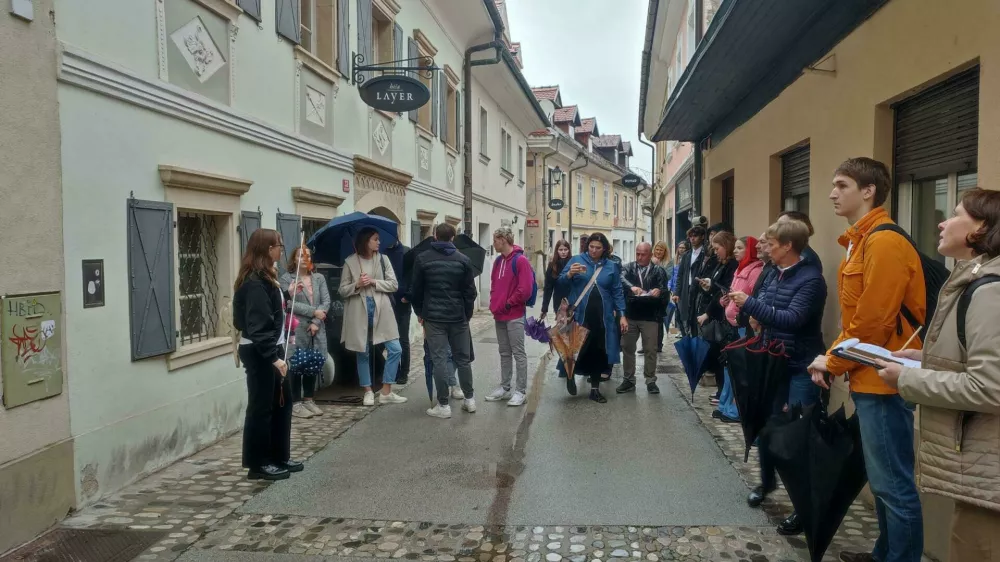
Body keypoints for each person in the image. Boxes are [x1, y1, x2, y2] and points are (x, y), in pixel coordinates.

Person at [807, 157, 925, 562]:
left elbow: (872, 323)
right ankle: (884, 554)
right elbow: (859, 319)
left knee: (893, 485)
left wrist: (832, 361)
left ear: (869, 190)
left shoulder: (884, 242)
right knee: (883, 482)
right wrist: (833, 359)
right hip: (871, 376)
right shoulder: (862, 239)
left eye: (842, 185)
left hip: (885, 381)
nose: (832, 193)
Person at [875, 188, 1000, 562]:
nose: (943, 221)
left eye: (956, 213)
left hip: (988, 471)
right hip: (982, 470)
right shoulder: (971, 278)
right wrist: (925, 359)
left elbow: (990, 387)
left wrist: (908, 380)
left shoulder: (990, 290)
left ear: (980, 227)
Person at [731, 219, 827, 536]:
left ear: (788, 246)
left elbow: (793, 319)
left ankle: (803, 508)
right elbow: (767, 310)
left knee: (799, 438)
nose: (765, 249)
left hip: (800, 365)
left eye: (770, 244)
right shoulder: (774, 273)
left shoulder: (811, 279)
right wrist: (752, 313)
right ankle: (767, 482)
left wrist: (752, 304)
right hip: (772, 362)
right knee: (769, 428)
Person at [232, 229, 299, 481]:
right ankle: (258, 463)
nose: (281, 249)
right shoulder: (254, 283)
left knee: (282, 403)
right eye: (278, 245)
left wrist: (288, 293)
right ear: (267, 249)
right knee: (261, 408)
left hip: (273, 349)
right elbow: (258, 325)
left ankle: (279, 455)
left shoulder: (268, 279)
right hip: (262, 353)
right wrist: (274, 357)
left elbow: (273, 311)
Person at [410, 223, 478, 419]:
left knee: (439, 359)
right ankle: (470, 399)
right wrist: (466, 314)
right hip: (458, 317)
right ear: (453, 237)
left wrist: (420, 313)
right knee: (463, 359)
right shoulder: (464, 260)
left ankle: (443, 405)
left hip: (434, 318)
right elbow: (470, 293)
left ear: (434, 236)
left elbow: (416, 291)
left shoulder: (422, 259)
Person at [338, 227, 406, 407]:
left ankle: (386, 390)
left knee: (396, 348)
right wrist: (357, 284)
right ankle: (367, 391)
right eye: (375, 239)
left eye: (378, 239)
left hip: (381, 309)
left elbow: (394, 285)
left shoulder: (383, 259)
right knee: (363, 351)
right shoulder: (350, 262)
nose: (379, 242)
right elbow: (342, 290)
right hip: (358, 310)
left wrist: (374, 281)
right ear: (366, 241)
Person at [558, 233, 627, 403]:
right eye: (591, 247)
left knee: (598, 352)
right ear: (587, 246)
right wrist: (568, 275)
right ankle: (570, 375)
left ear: (604, 249)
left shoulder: (611, 266)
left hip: (602, 319)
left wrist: (623, 315)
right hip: (579, 315)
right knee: (576, 349)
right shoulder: (576, 260)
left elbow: (617, 291)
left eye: (598, 248)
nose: (594, 250)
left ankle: (595, 390)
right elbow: (559, 284)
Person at [713, 236, 763, 423]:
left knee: (739, 369)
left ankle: (734, 409)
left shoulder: (755, 270)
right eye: (735, 248)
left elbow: (752, 298)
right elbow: (732, 293)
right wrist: (723, 300)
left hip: (743, 326)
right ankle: (725, 405)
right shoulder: (739, 269)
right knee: (730, 367)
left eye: (740, 248)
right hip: (731, 324)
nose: (735, 251)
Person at [280, 246, 331, 419]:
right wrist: (313, 312)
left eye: (307, 256)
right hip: (297, 327)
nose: (304, 258)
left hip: (316, 328)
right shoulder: (287, 279)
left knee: (312, 362)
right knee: (296, 364)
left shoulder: (319, 278)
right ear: (294, 259)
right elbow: (288, 303)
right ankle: (296, 403)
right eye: (301, 255)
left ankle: (309, 399)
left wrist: (317, 321)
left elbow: (326, 301)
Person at [485, 227, 534, 407]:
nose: (494, 243)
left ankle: (520, 391)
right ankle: (505, 388)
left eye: (496, 240)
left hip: (514, 314)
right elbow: (494, 285)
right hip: (499, 314)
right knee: (504, 352)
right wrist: (494, 303)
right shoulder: (498, 261)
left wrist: (508, 303)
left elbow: (525, 289)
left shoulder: (520, 261)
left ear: (504, 240)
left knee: (518, 353)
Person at [618, 242, 669, 394]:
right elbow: (620, 279)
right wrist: (631, 287)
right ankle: (628, 379)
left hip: (650, 316)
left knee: (650, 349)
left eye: (643, 254)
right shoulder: (628, 268)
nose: (640, 257)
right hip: (631, 314)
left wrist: (659, 291)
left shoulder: (658, 270)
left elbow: (665, 290)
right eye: (638, 253)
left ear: (650, 254)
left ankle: (651, 380)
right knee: (627, 347)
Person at [696, 231, 738, 403]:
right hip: (718, 312)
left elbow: (726, 290)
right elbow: (718, 288)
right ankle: (721, 390)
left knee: (722, 355)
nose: (715, 251)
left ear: (726, 245)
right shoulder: (721, 263)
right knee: (718, 354)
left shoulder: (732, 265)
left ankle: (723, 393)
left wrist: (708, 312)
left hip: (723, 315)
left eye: (717, 247)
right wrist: (709, 284)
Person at [672, 226, 708, 337]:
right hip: (686, 290)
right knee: (684, 318)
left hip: (699, 290)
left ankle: (697, 343)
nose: (692, 239)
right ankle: (688, 340)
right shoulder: (686, 255)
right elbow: (680, 275)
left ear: (702, 237)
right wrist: (676, 293)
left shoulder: (706, 254)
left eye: (695, 236)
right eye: (690, 236)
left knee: (696, 318)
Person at [540, 240, 572, 357]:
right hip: (559, 303)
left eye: (565, 249)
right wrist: (544, 309)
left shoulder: (573, 263)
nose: (563, 252)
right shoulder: (552, 266)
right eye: (560, 250)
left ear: (569, 250)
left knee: (572, 331)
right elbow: (548, 288)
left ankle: (569, 357)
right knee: (563, 330)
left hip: (573, 302)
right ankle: (565, 358)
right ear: (557, 251)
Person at [386, 241, 412, 385]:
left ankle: (404, 372)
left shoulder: (406, 251)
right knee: (389, 339)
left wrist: (408, 296)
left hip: (403, 303)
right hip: (387, 302)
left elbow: (412, 275)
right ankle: (394, 370)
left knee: (403, 339)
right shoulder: (382, 253)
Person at [652, 241, 673, 352]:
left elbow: (668, 276)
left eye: (661, 250)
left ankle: (658, 344)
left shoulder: (668, 262)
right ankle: (649, 344)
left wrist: (658, 265)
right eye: (657, 249)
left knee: (658, 319)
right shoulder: (650, 260)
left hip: (662, 294)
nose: (658, 252)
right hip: (650, 293)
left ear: (665, 251)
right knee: (648, 320)